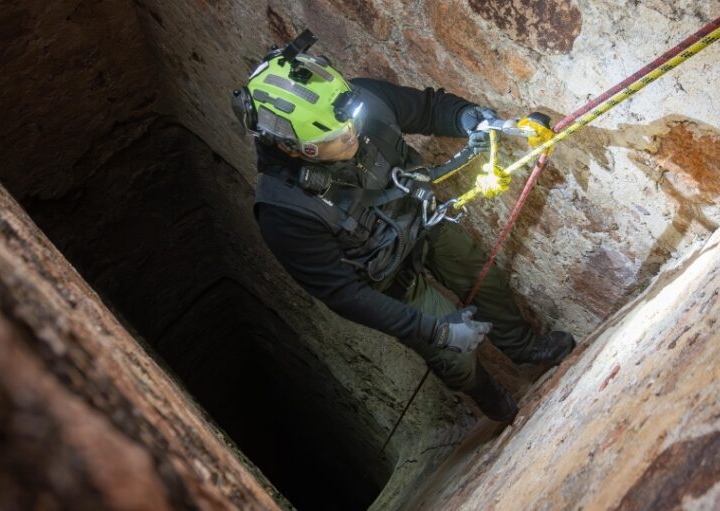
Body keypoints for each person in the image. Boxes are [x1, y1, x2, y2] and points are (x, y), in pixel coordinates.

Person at [233, 31, 575, 423]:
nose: (353, 136)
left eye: (352, 125)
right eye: (336, 139)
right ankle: (486, 392)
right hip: (385, 276)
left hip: (420, 217)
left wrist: (471, 118)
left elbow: (428, 108)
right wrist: (438, 333)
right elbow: (345, 295)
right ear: (291, 147)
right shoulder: (284, 213)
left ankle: (524, 347)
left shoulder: (362, 100)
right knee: (454, 353)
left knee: (483, 276)